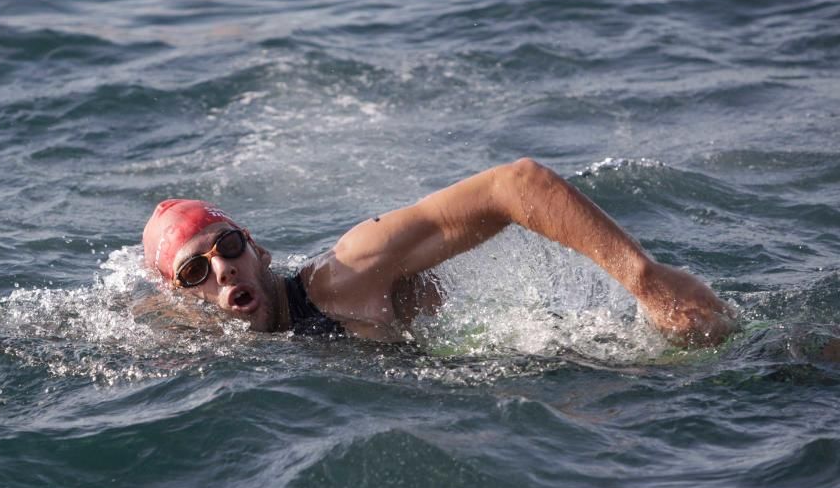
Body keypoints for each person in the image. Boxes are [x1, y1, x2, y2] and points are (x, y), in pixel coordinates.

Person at [142, 158, 737, 346]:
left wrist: (644, 278)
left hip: (600, 361)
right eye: (196, 270)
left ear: (260, 250)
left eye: (228, 245)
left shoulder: (342, 278)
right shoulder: (199, 332)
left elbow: (516, 184)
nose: (220, 267)